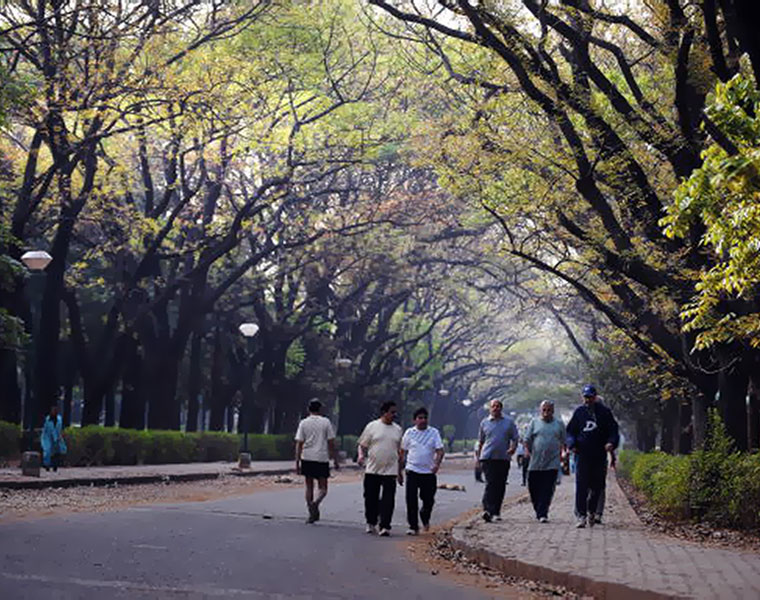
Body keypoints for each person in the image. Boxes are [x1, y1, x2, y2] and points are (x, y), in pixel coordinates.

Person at [566, 384, 620, 528]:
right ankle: (581, 516)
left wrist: (611, 443)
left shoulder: (605, 412)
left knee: (597, 486)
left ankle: (592, 511)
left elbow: (613, 431)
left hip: (599, 455)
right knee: (581, 486)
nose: (587, 400)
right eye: (585, 397)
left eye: (590, 397)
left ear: (595, 397)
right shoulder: (579, 412)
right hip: (582, 454)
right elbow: (570, 432)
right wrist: (572, 444)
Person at [358, 401, 404, 536]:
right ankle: (371, 522)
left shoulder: (398, 430)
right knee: (370, 497)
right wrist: (361, 456)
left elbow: (400, 452)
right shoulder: (372, 427)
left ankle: (385, 525)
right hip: (372, 468)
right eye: (392, 412)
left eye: (395, 412)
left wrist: (400, 472)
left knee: (388, 499)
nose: (394, 415)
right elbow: (362, 444)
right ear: (384, 412)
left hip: (390, 470)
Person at [400, 407, 445, 535]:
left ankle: (425, 516)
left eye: (425, 418)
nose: (423, 420)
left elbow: (440, 451)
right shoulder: (409, 433)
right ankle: (413, 526)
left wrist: (436, 464)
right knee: (411, 499)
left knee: (428, 499)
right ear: (415, 420)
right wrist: (399, 471)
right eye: (420, 418)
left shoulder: (434, 432)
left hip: (428, 472)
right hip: (412, 470)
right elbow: (402, 452)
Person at [295, 399, 339, 524]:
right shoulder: (326, 422)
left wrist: (297, 461)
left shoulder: (303, 423)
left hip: (307, 457)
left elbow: (299, 443)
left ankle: (311, 512)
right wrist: (335, 459)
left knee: (309, 487)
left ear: (308, 409)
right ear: (320, 409)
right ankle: (316, 503)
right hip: (321, 457)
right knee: (323, 488)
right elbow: (331, 442)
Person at [523, 400, 566, 523]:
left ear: (553, 411)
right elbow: (527, 439)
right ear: (540, 410)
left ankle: (543, 513)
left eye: (549, 410)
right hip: (535, 461)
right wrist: (527, 451)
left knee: (547, 489)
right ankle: (538, 509)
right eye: (544, 410)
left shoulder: (559, 424)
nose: (546, 413)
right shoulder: (534, 423)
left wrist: (563, 454)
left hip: (552, 462)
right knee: (533, 487)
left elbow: (564, 441)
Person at [476, 399, 519, 522]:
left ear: (501, 408)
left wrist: (512, 449)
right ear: (490, 408)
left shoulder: (509, 423)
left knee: (500, 485)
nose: (496, 408)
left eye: (498, 406)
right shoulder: (484, 423)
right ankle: (487, 510)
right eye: (493, 406)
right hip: (487, 457)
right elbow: (481, 441)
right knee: (490, 483)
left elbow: (515, 438)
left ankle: (496, 511)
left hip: (503, 458)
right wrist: (478, 457)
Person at [41, 405, 67, 472]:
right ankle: (47, 465)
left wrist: (61, 436)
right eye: (53, 411)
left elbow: (61, 428)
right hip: (47, 437)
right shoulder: (47, 419)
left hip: (57, 438)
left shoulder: (59, 419)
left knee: (56, 452)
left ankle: (55, 466)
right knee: (47, 451)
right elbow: (45, 429)